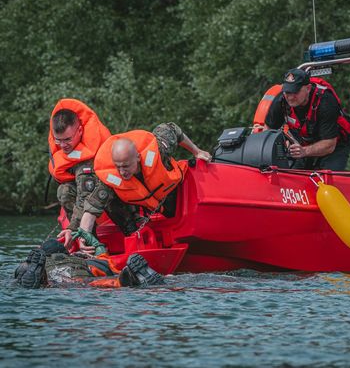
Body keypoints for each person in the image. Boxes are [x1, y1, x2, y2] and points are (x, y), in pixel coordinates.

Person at [70, 122, 211, 239]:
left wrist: (197, 151)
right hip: (148, 207)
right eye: (117, 166)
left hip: (176, 196)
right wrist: (84, 234)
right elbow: (92, 207)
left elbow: (172, 129)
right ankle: (133, 234)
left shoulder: (158, 150)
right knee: (110, 201)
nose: (122, 172)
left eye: (126, 166)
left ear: (138, 157)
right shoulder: (111, 178)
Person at [48, 99, 139, 255]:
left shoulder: (90, 149)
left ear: (80, 131)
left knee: (97, 187)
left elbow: (85, 196)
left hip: (111, 191)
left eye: (68, 139)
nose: (63, 146)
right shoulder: (64, 149)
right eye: (59, 140)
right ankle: (90, 245)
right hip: (85, 198)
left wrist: (73, 228)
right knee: (63, 191)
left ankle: (132, 233)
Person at [264, 68, 350, 171]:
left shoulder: (326, 102)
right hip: (303, 143)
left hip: (333, 145)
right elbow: (267, 130)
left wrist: (304, 151)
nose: (290, 97)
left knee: (327, 179)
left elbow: (329, 145)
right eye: (287, 92)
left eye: (295, 91)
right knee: (292, 177)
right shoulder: (281, 100)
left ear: (308, 88)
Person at [14, 239, 164, 289]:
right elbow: (105, 264)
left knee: (49, 284)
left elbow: (18, 272)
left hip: (53, 278)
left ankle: (40, 280)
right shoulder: (81, 260)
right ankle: (124, 281)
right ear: (67, 253)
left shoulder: (42, 261)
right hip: (81, 278)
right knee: (94, 283)